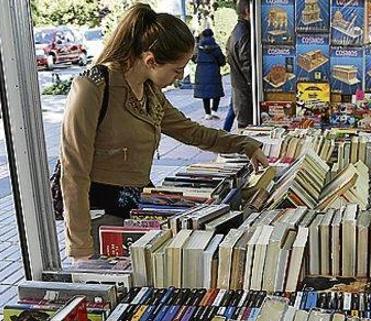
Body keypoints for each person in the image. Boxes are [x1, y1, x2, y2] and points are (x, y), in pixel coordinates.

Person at [58, 3, 269, 260]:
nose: (179, 78)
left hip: (136, 208)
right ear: (150, 60)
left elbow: (191, 132)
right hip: (100, 219)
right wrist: (80, 249)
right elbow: (73, 172)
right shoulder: (93, 87)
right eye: (176, 70)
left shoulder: (150, 92)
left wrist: (245, 144)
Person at [227, 0, 254, 129]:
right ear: (248, 11)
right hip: (246, 97)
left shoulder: (237, 31)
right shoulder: (245, 33)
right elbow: (247, 65)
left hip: (240, 95)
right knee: (247, 134)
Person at [194, 28, 226, 120]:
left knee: (205, 94)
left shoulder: (198, 48)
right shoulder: (216, 47)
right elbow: (222, 61)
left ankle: (207, 113)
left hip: (201, 72)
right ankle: (214, 111)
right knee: (216, 92)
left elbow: (194, 58)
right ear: (212, 35)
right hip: (213, 71)